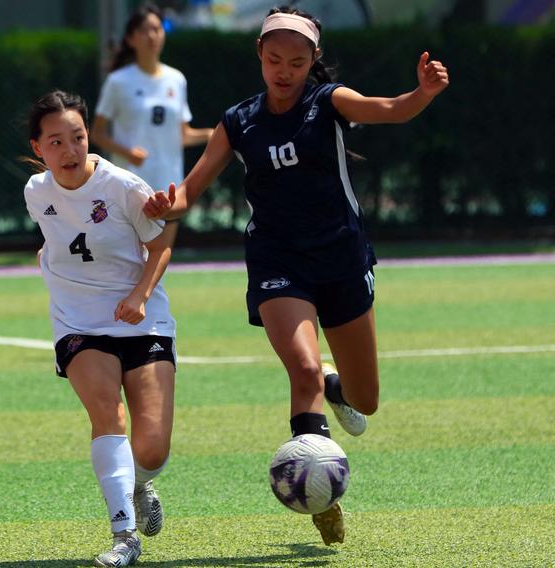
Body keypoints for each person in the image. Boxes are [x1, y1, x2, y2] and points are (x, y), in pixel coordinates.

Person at [143, 6, 449, 546]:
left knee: (366, 399)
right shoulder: (239, 121)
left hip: (341, 258)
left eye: (297, 61)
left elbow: (390, 109)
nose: (284, 70)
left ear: (313, 62)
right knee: (302, 370)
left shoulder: (327, 103)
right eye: (275, 59)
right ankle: (321, 499)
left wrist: (421, 93)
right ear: (260, 56)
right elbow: (190, 190)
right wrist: (168, 200)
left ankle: (338, 387)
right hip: (276, 262)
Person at [23, 89, 179, 567]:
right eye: (55, 142)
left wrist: (139, 296)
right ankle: (124, 536)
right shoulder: (35, 192)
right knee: (107, 414)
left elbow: (161, 245)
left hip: (142, 320)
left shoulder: (123, 187)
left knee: (152, 448)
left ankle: (138, 482)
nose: (69, 151)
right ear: (38, 149)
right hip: (78, 323)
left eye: (78, 137)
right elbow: (56, 242)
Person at [92, 3, 213, 193]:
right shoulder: (117, 81)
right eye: (143, 30)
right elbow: (97, 134)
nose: (151, 36)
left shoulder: (177, 79)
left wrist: (210, 135)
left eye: (157, 29)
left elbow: (183, 135)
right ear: (131, 39)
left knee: (169, 222)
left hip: (169, 185)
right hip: (129, 186)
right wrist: (128, 154)